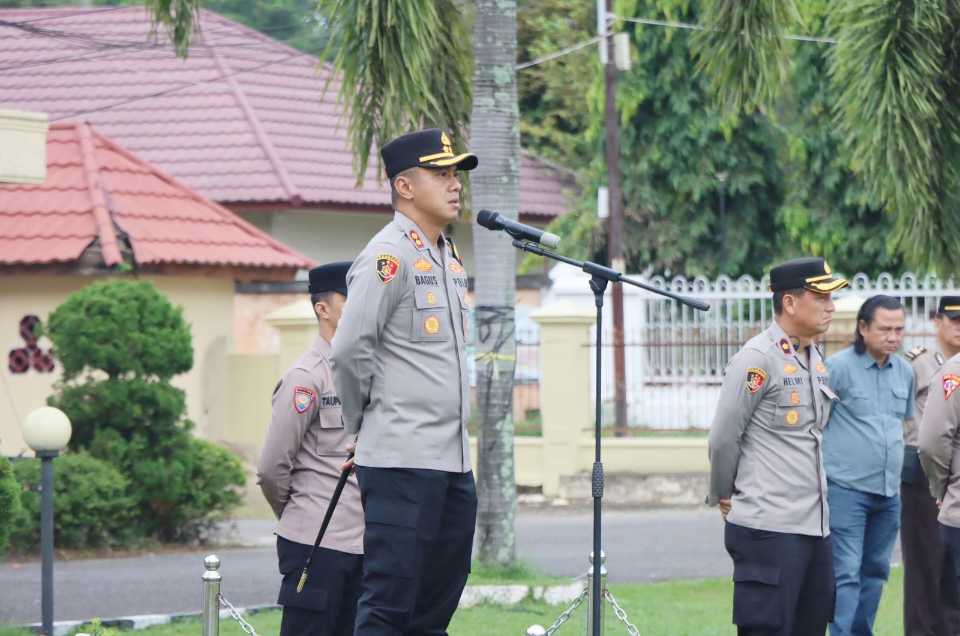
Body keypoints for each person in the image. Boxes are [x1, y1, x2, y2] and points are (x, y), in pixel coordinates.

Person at [331, 128, 478, 636]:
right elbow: (349, 351)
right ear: (405, 186)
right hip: (401, 461)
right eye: (441, 174)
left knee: (434, 609)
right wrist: (362, 425)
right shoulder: (386, 257)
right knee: (390, 606)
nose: (454, 184)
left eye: (455, 173)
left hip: (453, 463)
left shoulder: (448, 257)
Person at [708, 256, 847, 635]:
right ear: (789, 302)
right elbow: (723, 436)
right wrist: (723, 492)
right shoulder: (757, 359)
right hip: (769, 528)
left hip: (814, 527)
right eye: (821, 298)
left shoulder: (812, 357)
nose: (831, 307)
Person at [257, 261, 363, 636]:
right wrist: (301, 511)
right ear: (324, 309)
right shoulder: (307, 378)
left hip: (367, 543)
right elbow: (272, 467)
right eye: (352, 297)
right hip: (316, 542)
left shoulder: (371, 371)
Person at [822, 295, 913, 636]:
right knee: (846, 572)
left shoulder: (904, 371)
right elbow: (816, 423)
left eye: (899, 329)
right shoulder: (837, 368)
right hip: (847, 489)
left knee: (876, 571)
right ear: (862, 328)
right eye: (885, 329)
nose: (893, 336)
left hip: (889, 492)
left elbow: (901, 424)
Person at [902, 296, 960, 636]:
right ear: (936, 320)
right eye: (952, 319)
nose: (958, 326)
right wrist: (939, 483)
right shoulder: (918, 364)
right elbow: (922, 432)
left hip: (951, 481)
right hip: (928, 474)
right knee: (926, 566)